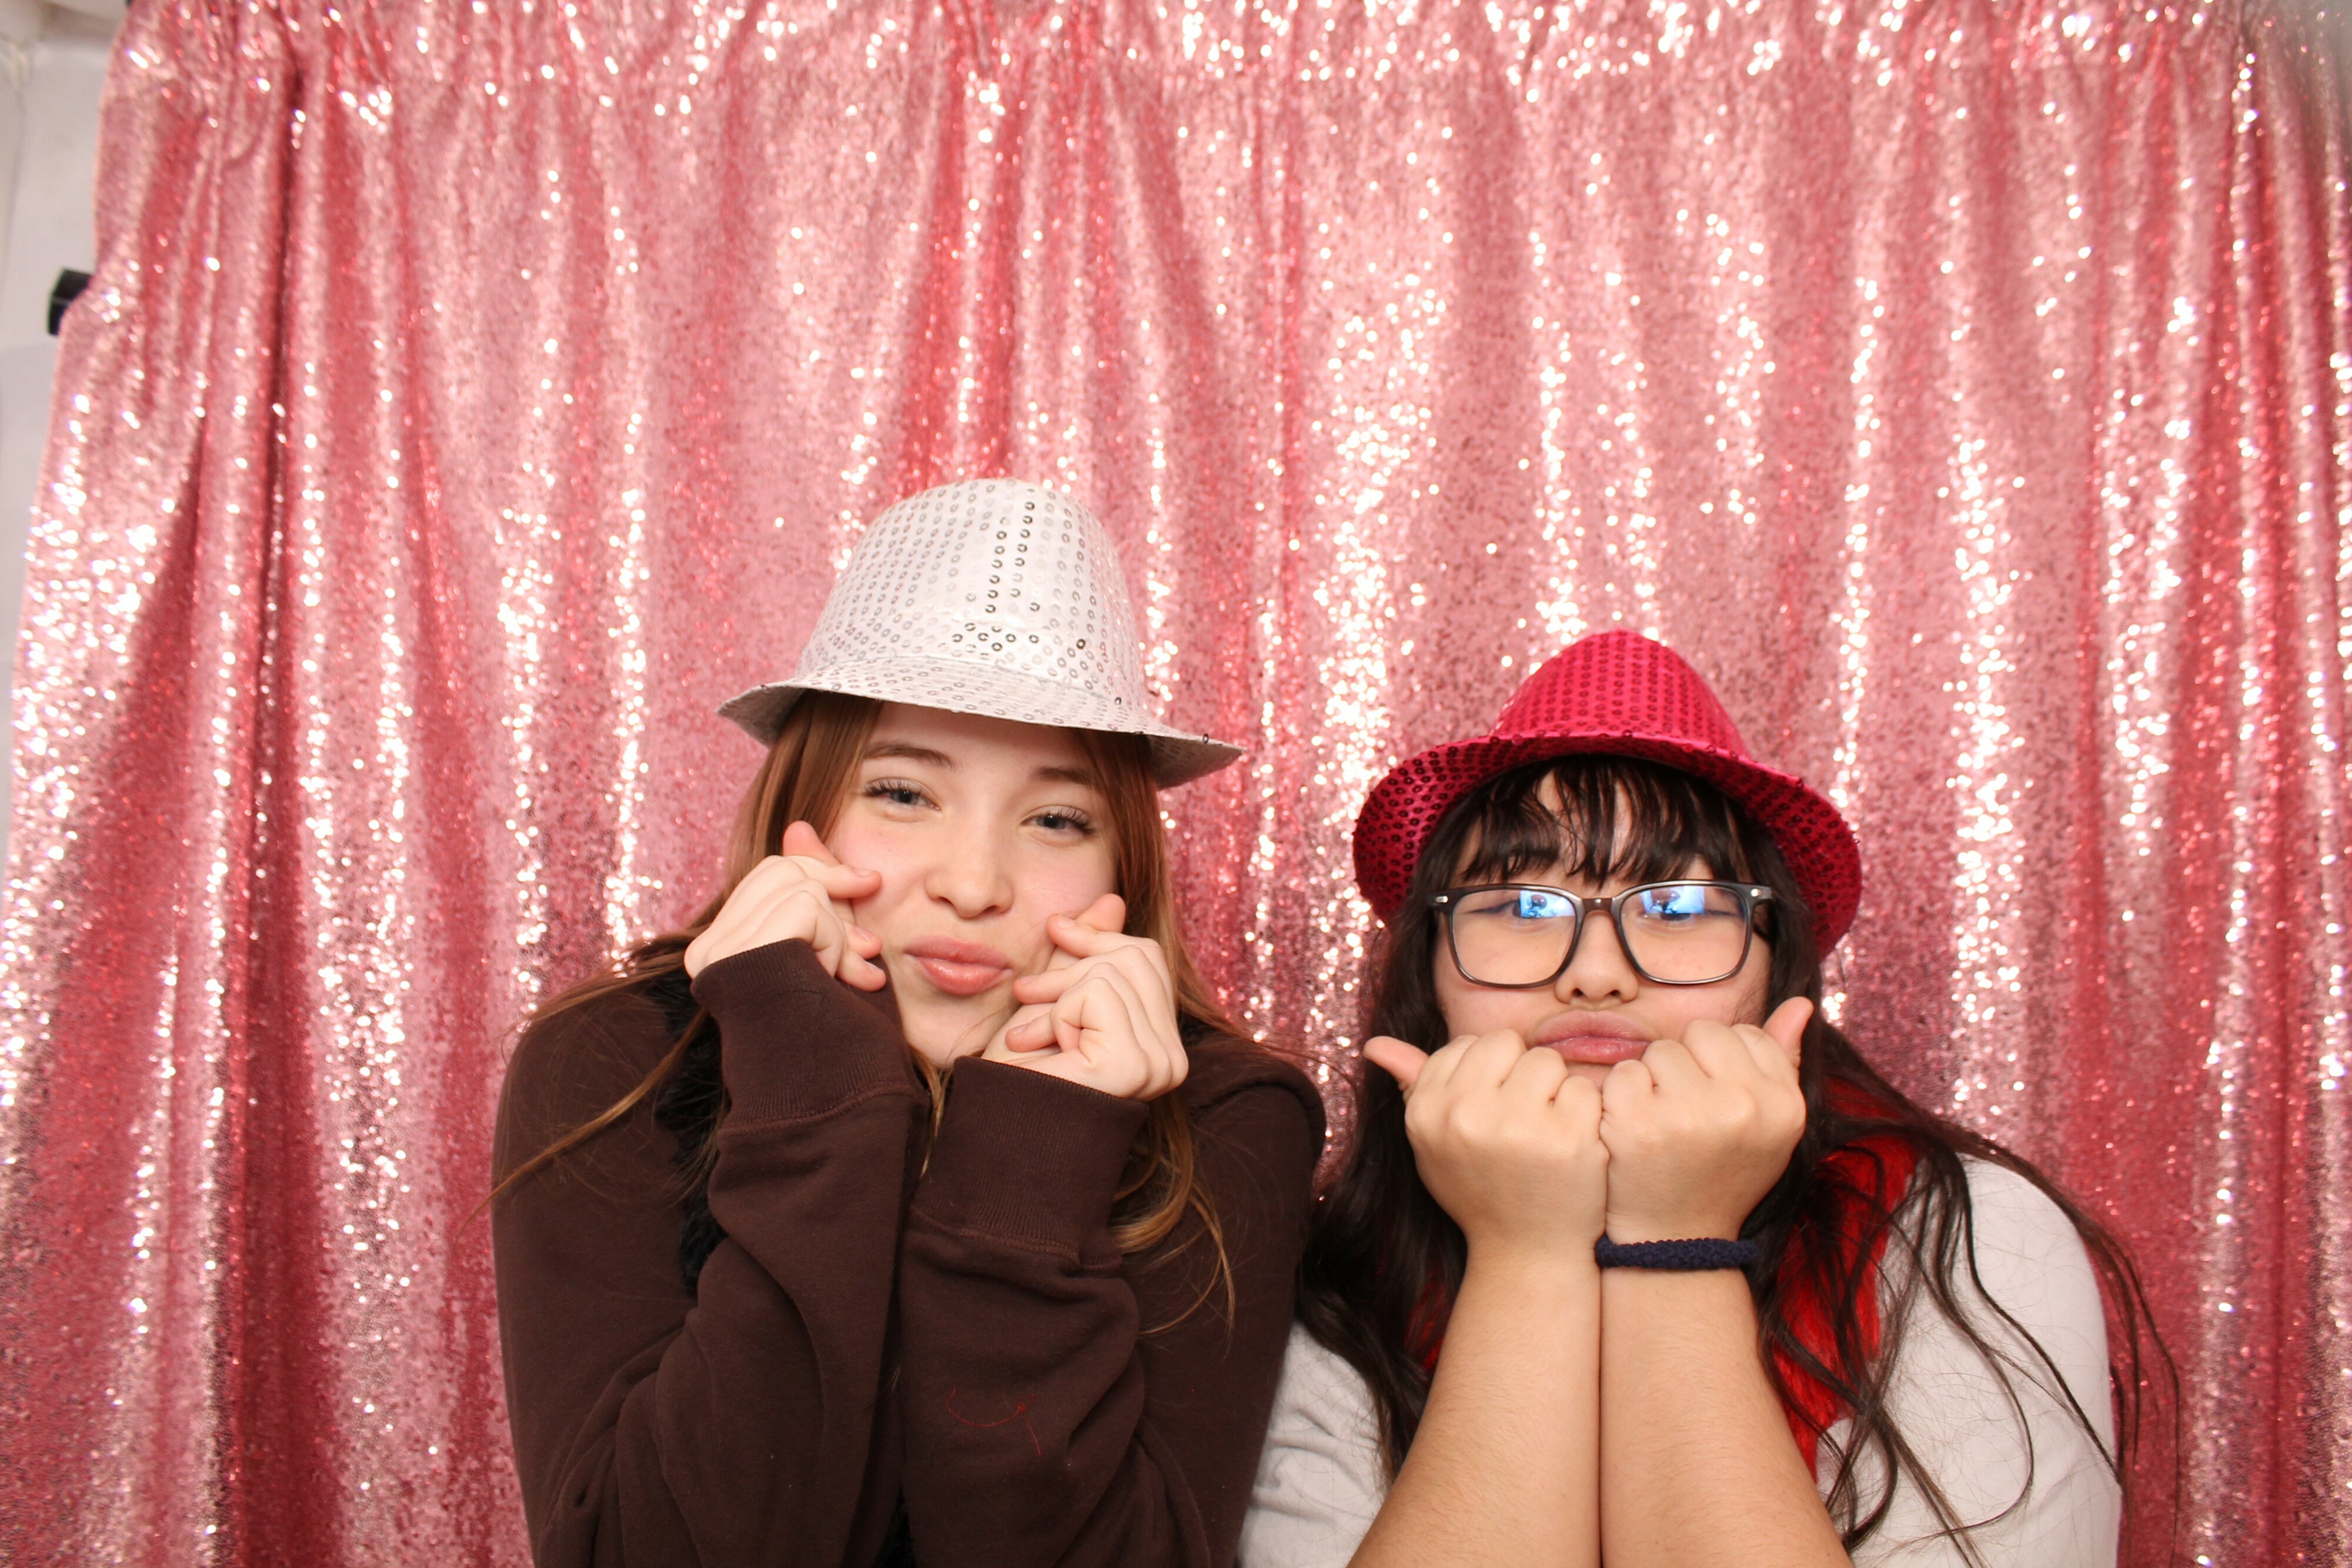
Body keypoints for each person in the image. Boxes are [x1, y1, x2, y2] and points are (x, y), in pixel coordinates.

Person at [491, 479, 1323, 1568]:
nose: (973, 885)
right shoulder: (617, 1064)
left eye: (1056, 818)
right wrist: (810, 1084)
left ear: (1123, 864)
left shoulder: (1227, 1115)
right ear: (805, 815)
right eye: (902, 795)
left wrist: (1032, 1160)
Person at [1240, 630, 2164, 1568]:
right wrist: (1527, 1254)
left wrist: (1675, 1240)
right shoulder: (1338, 1273)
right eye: (1522, 907)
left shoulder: (1966, 1235)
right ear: (1429, 973)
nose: (1596, 974)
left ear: (1775, 966)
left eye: (1678, 908)